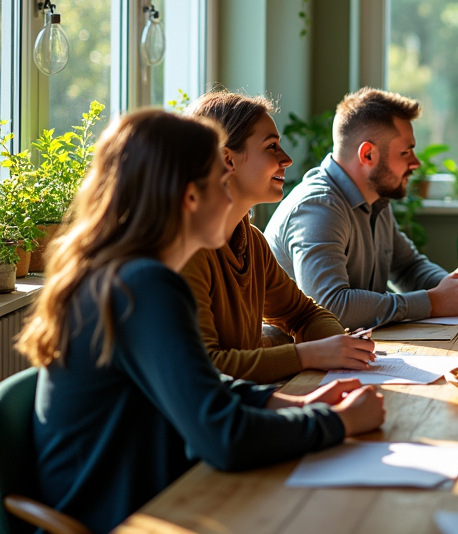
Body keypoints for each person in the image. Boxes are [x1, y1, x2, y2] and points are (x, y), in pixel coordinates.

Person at [16, 110, 385, 534]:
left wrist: (289, 403)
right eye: (218, 180)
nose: (229, 198)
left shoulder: (127, 274)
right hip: (126, 517)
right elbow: (223, 438)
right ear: (191, 197)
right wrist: (340, 422)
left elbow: (201, 383)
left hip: (155, 495)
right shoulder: (145, 285)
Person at [180, 91, 376, 384]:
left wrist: (343, 347)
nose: (286, 159)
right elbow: (208, 366)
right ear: (227, 160)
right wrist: (312, 354)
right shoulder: (186, 250)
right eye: (272, 147)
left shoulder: (252, 242)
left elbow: (304, 314)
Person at [265, 87, 458, 330]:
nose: (416, 163)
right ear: (367, 154)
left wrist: (457, 287)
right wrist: (434, 301)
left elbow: (408, 267)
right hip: (304, 361)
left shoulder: (375, 197)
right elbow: (331, 307)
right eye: (405, 152)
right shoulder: (318, 207)